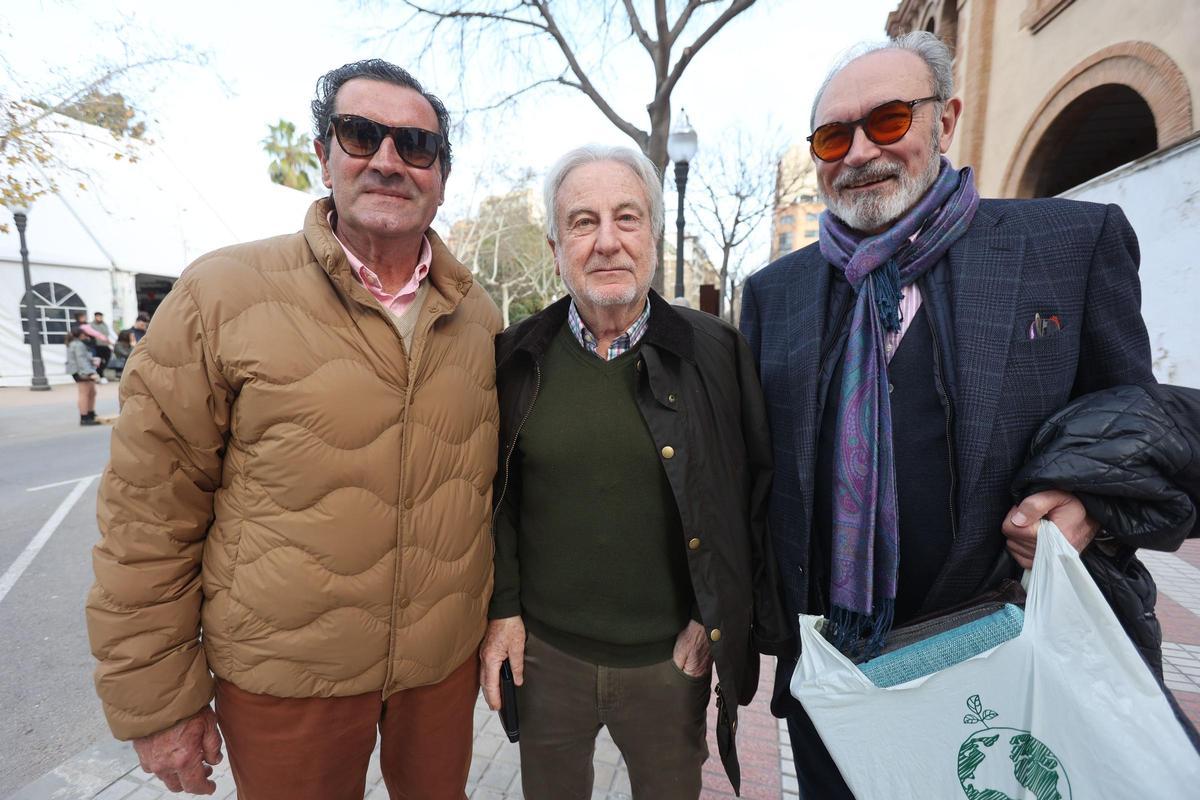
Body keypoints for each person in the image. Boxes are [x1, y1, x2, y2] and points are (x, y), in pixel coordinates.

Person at [739, 32, 1156, 797]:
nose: (860, 151)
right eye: (835, 135)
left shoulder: (1070, 244)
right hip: (842, 680)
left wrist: (1095, 502)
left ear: (946, 120)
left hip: (1015, 668)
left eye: (889, 120)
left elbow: (1141, 429)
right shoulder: (776, 294)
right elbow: (757, 476)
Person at [86, 59, 501, 800]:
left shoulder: (480, 318)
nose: (386, 160)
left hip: (438, 676)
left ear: (440, 175)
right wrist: (159, 703)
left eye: (415, 145)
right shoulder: (221, 294)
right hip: (284, 684)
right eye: (360, 133)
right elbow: (148, 515)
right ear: (323, 153)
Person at [481, 144, 789, 800]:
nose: (607, 242)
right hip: (547, 661)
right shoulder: (516, 358)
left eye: (627, 217)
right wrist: (504, 612)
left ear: (652, 233)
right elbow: (498, 497)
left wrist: (716, 618)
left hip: (667, 666)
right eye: (583, 222)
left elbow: (748, 497)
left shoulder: (717, 353)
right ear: (556, 246)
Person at [65, 325, 101, 425]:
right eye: (85, 334)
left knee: (91, 392)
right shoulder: (78, 344)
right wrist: (90, 373)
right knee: (84, 394)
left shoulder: (75, 343)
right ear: (81, 335)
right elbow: (81, 360)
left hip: (80, 370)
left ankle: (90, 413)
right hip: (82, 372)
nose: (86, 336)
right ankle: (84, 417)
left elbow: (82, 358)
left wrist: (91, 360)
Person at [91, 311, 114, 378]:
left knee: (107, 358)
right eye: (98, 316)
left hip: (105, 345)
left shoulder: (105, 325)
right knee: (98, 360)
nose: (99, 318)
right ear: (95, 317)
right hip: (97, 346)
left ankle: (100, 371)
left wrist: (110, 342)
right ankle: (99, 374)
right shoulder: (91, 325)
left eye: (100, 316)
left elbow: (107, 335)